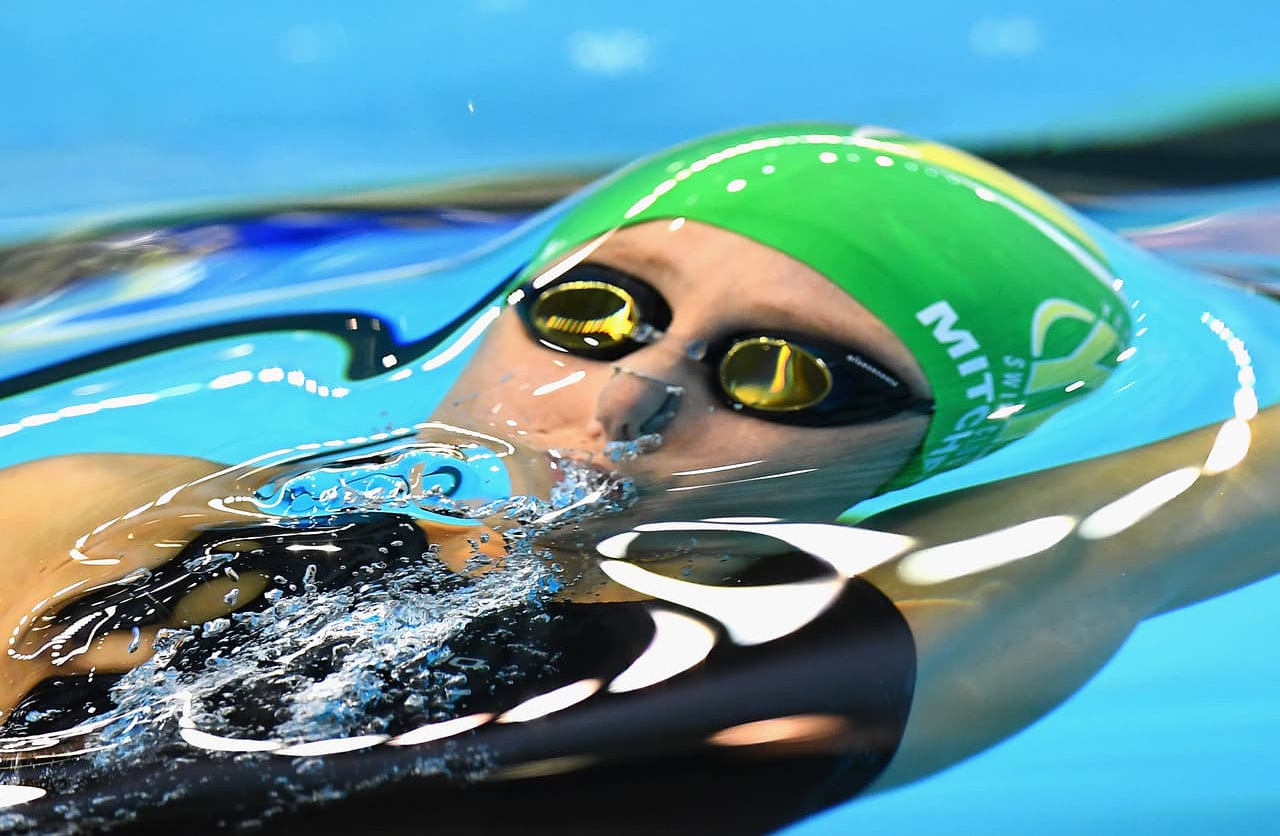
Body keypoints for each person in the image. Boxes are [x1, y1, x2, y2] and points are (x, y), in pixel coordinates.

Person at [1, 123, 1277, 833]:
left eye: (781, 375)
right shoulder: (96, 512)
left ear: (918, 465)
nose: (630, 397)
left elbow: (1202, 505)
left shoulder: (804, 662)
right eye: (600, 311)